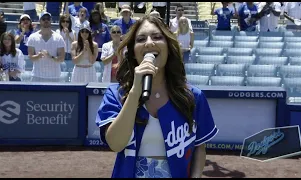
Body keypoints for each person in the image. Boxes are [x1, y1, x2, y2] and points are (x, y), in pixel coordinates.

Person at [96, 15, 218, 178]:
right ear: (133, 52)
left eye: (157, 37)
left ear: (168, 46)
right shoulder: (116, 94)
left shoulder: (193, 96)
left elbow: (199, 147)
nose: (149, 43)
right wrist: (134, 93)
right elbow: (115, 144)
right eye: (140, 39)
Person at [27, 12, 66, 82]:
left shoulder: (59, 38)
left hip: (54, 77)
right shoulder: (32, 37)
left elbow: (62, 58)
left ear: (51, 20)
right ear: (40, 21)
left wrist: (51, 57)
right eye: (43, 19)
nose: (46, 20)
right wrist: (38, 56)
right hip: (37, 76)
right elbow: (31, 57)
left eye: (48, 19)